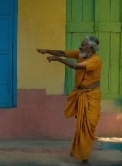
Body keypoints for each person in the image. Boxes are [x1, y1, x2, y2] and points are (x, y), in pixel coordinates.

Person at [37, 36, 102, 166]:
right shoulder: (80, 54)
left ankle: (85, 156)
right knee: (81, 124)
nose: (80, 47)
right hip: (80, 94)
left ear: (92, 48)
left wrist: (59, 60)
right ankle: (81, 151)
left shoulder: (96, 60)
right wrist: (47, 50)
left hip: (91, 96)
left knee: (87, 125)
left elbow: (76, 66)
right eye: (81, 44)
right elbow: (63, 52)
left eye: (83, 45)